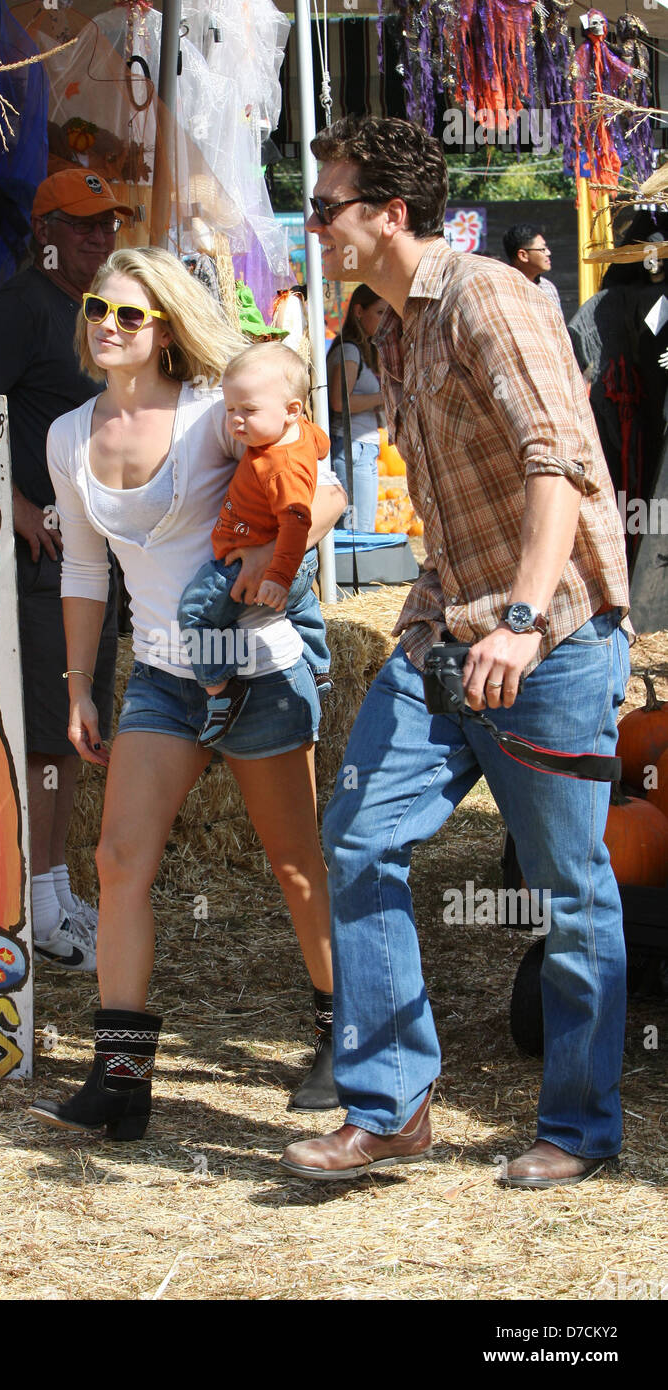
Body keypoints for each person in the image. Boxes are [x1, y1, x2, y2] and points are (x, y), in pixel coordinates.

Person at [280, 115, 630, 1189]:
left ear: (389, 213)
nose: (315, 225)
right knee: (356, 836)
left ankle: (576, 1128)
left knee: (567, 892)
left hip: (552, 639)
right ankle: (390, 1106)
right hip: (450, 637)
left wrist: (520, 622)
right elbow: (444, 500)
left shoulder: (486, 294)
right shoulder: (386, 324)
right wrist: (436, 621)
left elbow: (556, 461)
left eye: (327, 206)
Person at [26, 246, 348, 1139]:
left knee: (292, 862)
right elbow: (85, 572)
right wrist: (81, 687)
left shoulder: (215, 416)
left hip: (254, 666)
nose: (107, 326)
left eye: (129, 315)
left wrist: (265, 562)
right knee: (119, 861)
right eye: (97, 307)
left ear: (164, 328)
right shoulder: (67, 436)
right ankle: (121, 1084)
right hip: (165, 676)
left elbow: (325, 494)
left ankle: (340, 1035)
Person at [0, 169, 132, 972]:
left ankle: (52, 888)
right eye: (82, 224)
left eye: (108, 223)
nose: (100, 236)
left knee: (72, 737)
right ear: (43, 229)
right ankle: (39, 907)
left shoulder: (86, 312)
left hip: (85, 559)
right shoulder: (20, 307)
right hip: (43, 564)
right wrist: (13, 503)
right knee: (49, 739)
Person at [177, 341, 332, 745]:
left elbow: (298, 522)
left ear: (291, 410)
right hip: (302, 564)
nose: (236, 421)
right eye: (230, 409)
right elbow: (322, 443)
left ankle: (220, 691)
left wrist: (277, 575)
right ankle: (318, 669)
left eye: (249, 410)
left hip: (251, 562)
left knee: (195, 612)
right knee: (302, 605)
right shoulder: (301, 433)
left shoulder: (278, 467)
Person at [326, 284, 386, 531]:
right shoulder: (349, 350)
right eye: (380, 313)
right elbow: (340, 402)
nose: (384, 321)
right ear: (359, 311)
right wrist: (382, 398)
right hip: (351, 447)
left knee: (362, 529)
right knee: (357, 532)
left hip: (362, 447)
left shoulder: (362, 350)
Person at [502, 223, 563, 314]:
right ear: (523, 255)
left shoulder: (548, 287)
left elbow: (559, 326)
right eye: (542, 249)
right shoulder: (502, 288)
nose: (548, 253)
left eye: (546, 247)